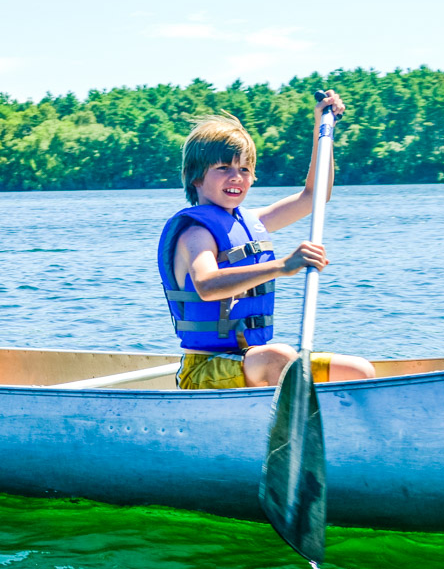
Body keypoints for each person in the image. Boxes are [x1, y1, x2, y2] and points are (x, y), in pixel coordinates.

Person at [156, 91, 376, 390]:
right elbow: (206, 285)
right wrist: (282, 266)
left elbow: (315, 195)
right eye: (223, 168)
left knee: (357, 370)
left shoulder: (252, 222)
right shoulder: (196, 233)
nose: (236, 177)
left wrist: (322, 128)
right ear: (196, 177)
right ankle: (283, 420)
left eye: (244, 169)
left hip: (251, 358)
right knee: (279, 357)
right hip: (204, 369)